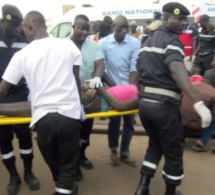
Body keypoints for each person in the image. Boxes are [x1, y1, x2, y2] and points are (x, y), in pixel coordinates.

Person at [0, 11, 82, 195]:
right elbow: (76, 81)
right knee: (67, 171)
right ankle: (66, 187)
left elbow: (3, 89)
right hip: (69, 116)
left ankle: (65, 187)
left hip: (43, 120)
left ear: (29, 26)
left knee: (57, 169)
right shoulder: (69, 46)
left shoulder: (22, 54)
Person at [134, 2, 212, 195]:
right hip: (163, 106)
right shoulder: (172, 41)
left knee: (155, 144)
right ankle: (170, 192)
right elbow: (176, 70)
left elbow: (139, 69)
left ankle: (142, 187)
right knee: (174, 151)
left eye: (184, 19)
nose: (182, 23)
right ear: (165, 18)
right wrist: (199, 102)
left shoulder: (148, 41)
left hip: (145, 105)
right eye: (177, 18)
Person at [0, 4, 40, 195]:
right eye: (12, 26)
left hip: (21, 95)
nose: (16, 29)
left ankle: (28, 172)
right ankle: (13, 175)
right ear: (3, 22)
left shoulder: (24, 40)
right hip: (0, 98)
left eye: (18, 26)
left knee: (25, 136)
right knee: (4, 140)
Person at [100, 15, 141, 167]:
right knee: (114, 122)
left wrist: (130, 88)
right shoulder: (104, 43)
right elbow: (101, 68)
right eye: (120, 27)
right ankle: (113, 150)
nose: (124, 30)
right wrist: (115, 89)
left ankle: (125, 153)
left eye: (126, 27)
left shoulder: (135, 43)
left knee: (130, 122)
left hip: (129, 88)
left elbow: (134, 67)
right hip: (111, 89)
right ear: (112, 27)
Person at [70, 15, 104, 173]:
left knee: (86, 128)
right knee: (71, 130)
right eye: (80, 28)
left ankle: (82, 154)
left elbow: (99, 66)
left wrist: (95, 82)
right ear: (73, 27)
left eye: (86, 28)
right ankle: (73, 161)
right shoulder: (63, 45)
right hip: (68, 93)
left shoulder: (94, 45)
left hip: (87, 92)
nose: (84, 32)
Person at [181, 69, 215, 152]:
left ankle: (180, 139)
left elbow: (178, 104)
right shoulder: (213, 93)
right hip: (198, 129)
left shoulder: (189, 86)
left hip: (181, 126)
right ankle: (202, 141)